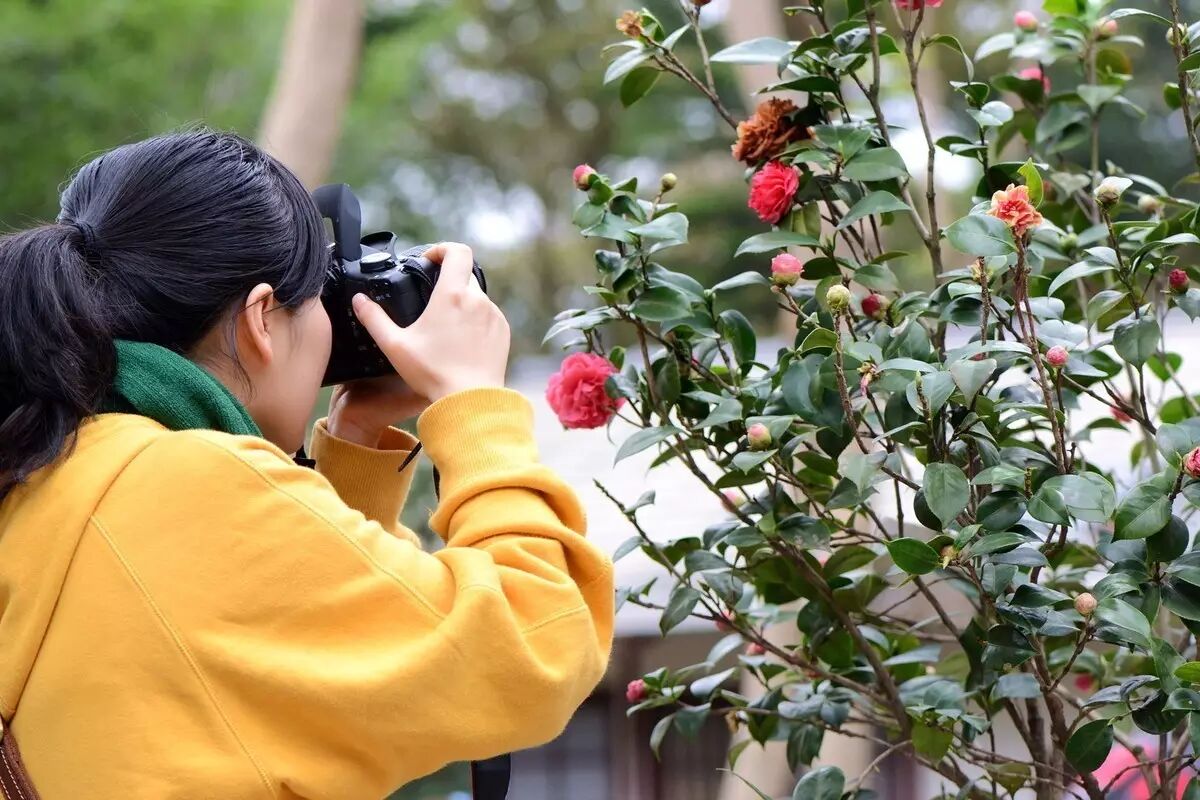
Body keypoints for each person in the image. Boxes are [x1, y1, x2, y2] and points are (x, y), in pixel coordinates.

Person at [0, 130, 613, 799]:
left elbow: (292, 674)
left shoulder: (56, 473)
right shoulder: (189, 483)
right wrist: (475, 407)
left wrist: (355, 438)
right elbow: (536, 649)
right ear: (262, 318)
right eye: (319, 300)